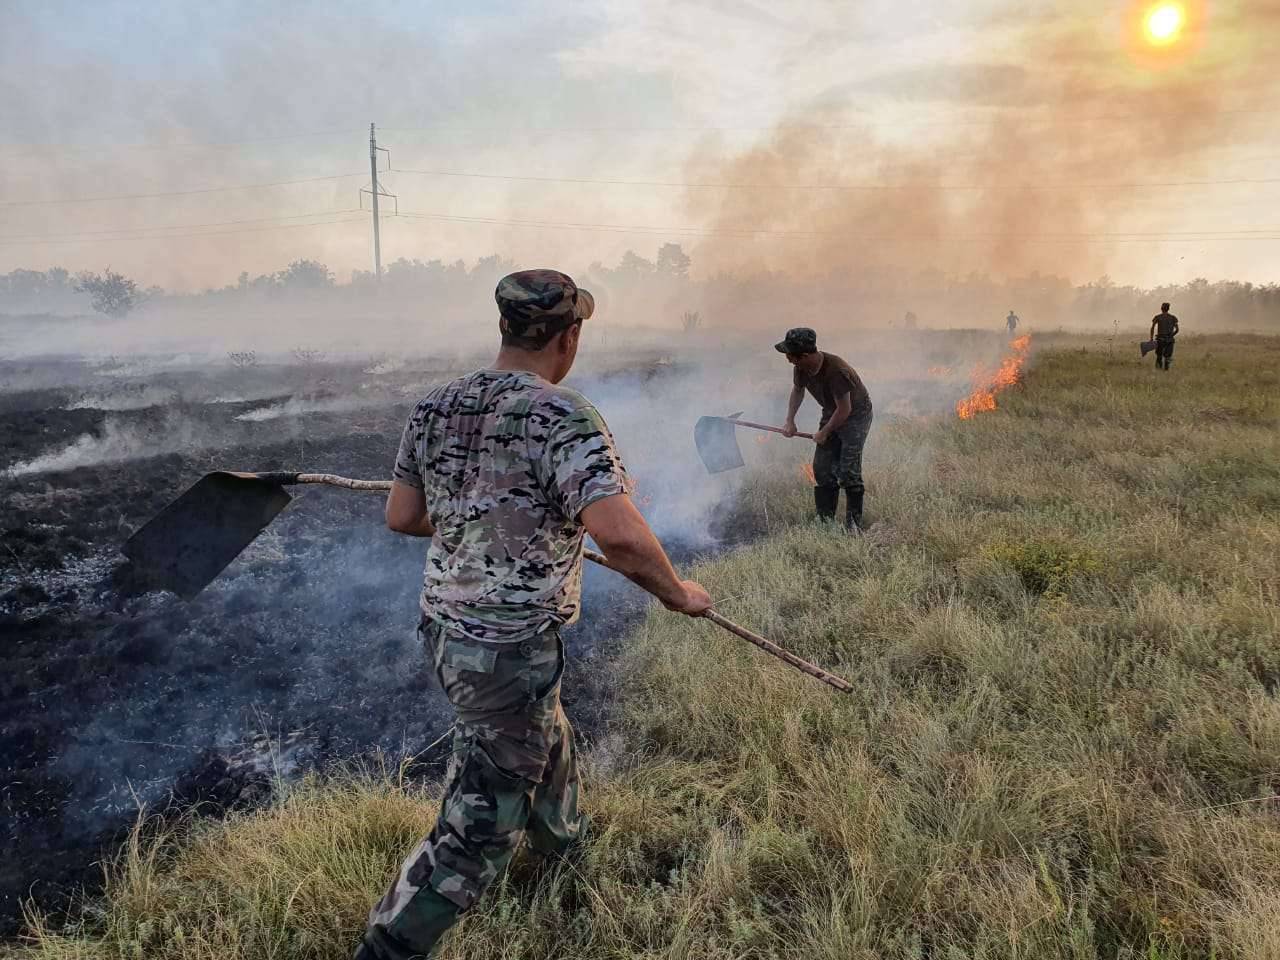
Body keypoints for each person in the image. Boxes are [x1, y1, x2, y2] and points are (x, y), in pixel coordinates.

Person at [356, 269, 712, 959]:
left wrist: (481, 520)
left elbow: (402, 516)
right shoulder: (562, 415)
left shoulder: (435, 405)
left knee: (544, 733)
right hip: (508, 645)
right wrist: (679, 594)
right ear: (569, 334)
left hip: (446, 630)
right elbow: (620, 535)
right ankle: (389, 945)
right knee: (481, 824)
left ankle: (564, 850)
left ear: (505, 326)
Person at [778, 327, 874, 531]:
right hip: (832, 412)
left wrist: (825, 432)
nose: (788, 359)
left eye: (790, 355)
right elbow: (798, 391)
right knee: (822, 469)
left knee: (848, 472)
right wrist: (790, 421)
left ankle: (853, 526)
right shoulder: (801, 367)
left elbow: (845, 409)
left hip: (856, 416)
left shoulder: (836, 370)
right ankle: (826, 522)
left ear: (804, 355)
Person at [1150, 301, 1180, 371]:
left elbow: (1152, 327)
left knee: (1159, 356)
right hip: (1169, 340)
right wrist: (1171, 335)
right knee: (1168, 357)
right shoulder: (1173, 318)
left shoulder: (1157, 317)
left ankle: (1158, 371)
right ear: (1168, 309)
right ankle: (1166, 371)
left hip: (1160, 339)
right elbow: (1177, 329)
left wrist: (1151, 338)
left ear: (1161, 308)